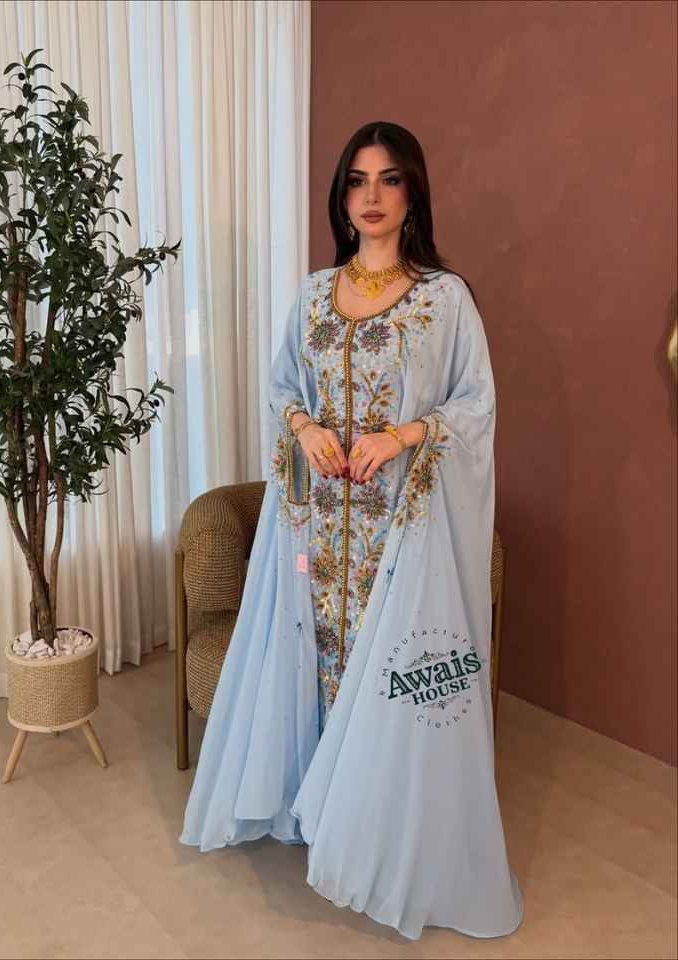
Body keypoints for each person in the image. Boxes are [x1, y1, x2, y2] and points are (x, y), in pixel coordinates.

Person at [179, 121, 524, 942]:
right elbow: (280, 389)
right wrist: (303, 428)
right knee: (319, 657)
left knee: (385, 671)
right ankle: (320, 807)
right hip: (313, 528)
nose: (372, 196)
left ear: (413, 194)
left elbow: (475, 405)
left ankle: (377, 833)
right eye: (357, 181)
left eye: (389, 179)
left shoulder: (444, 299)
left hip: (398, 532)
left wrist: (402, 436)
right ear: (341, 198)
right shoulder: (311, 294)